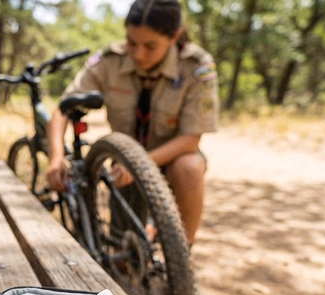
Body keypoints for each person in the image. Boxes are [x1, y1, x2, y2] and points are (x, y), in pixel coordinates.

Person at [46, 0, 218, 245]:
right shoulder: (110, 59)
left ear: (174, 36)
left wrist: (142, 162)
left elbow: (191, 139)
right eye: (132, 42)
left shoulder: (196, 66)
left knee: (189, 166)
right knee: (123, 254)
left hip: (168, 159)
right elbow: (63, 109)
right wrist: (55, 158)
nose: (138, 54)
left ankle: (182, 256)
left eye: (150, 46)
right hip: (123, 162)